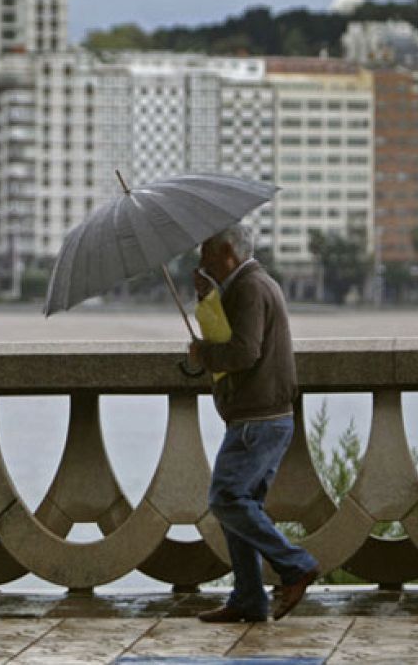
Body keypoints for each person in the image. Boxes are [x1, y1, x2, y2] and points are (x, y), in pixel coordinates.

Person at [188, 223, 319, 622]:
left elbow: (244, 351)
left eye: (206, 252)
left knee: (226, 500)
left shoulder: (248, 287)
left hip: (257, 420)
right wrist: (208, 301)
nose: (201, 261)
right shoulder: (256, 284)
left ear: (227, 252)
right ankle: (247, 597)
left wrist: (204, 355)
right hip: (267, 417)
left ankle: (295, 564)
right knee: (241, 507)